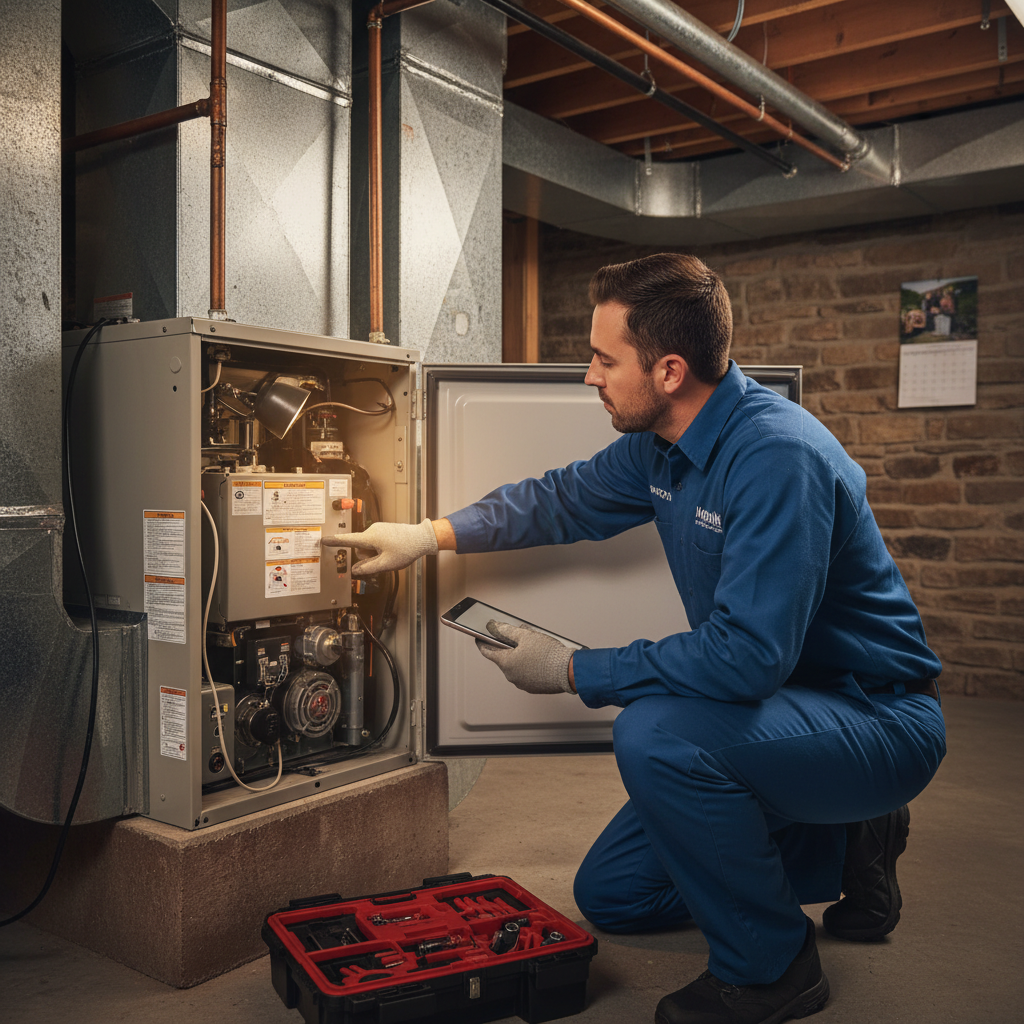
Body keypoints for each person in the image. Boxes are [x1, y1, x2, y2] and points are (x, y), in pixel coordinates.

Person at [323, 253, 946, 1024]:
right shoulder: (663, 445)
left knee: (658, 735)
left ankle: (774, 967)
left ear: (670, 370)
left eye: (603, 359)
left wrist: (574, 669)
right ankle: (848, 839)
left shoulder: (777, 458)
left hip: (876, 716)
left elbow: (746, 660)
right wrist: (430, 534)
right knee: (615, 894)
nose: (590, 376)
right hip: (787, 709)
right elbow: (561, 501)